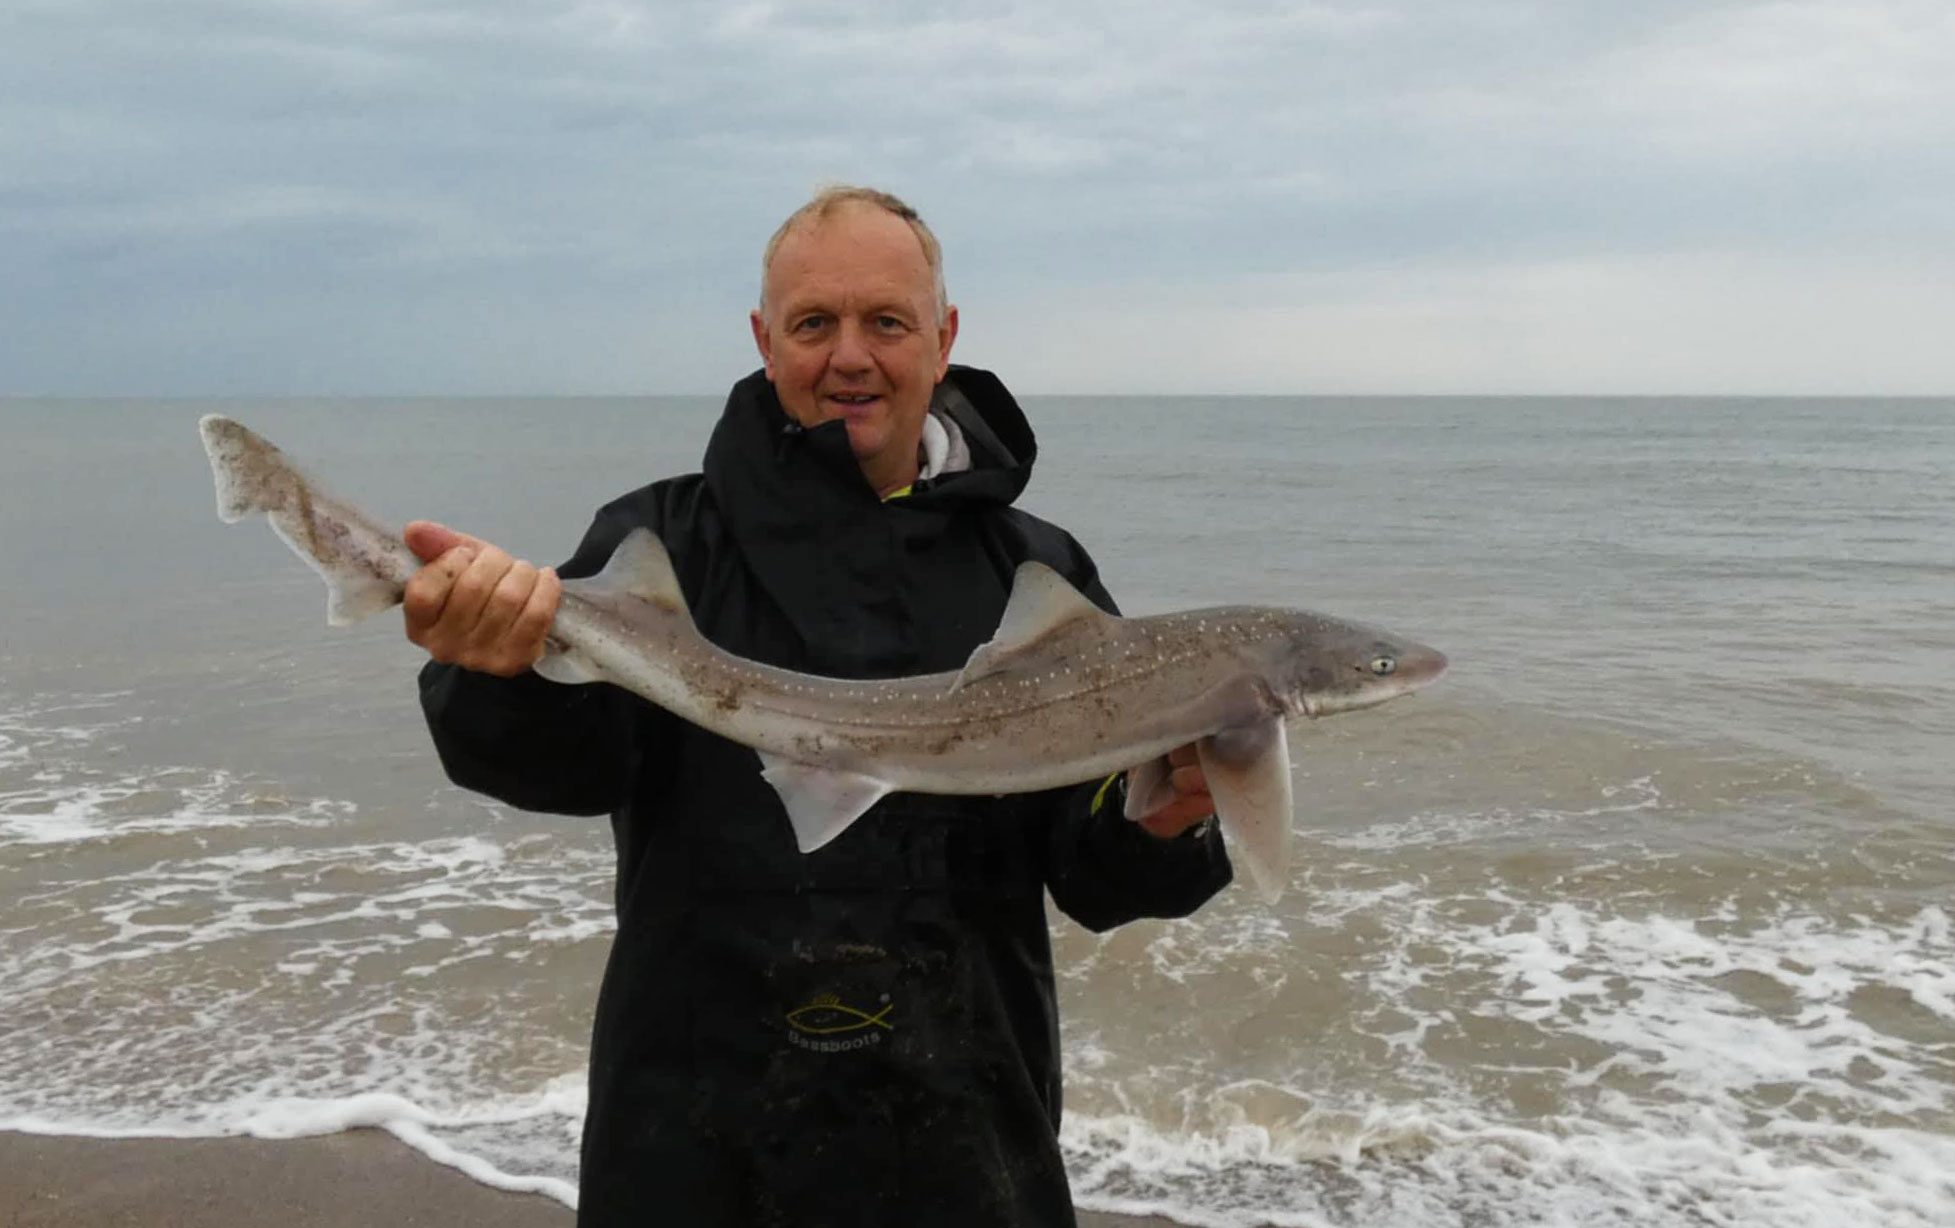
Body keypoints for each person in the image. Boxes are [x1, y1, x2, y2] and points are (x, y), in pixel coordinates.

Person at [405, 186, 1233, 1227]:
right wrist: (492, 669)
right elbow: (559, 762)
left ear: (943, 338)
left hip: (968, 1135)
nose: (850, 356)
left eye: (886, 321)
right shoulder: (664, 545)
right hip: (696, 1138)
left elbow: (1092, 865)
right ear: (763, 341)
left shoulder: (1035, 575)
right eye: (813, 324)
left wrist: (1165, 815)